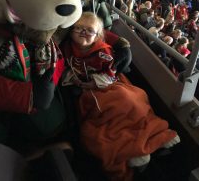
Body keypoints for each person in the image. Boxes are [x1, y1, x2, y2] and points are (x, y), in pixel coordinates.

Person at [60, 12, 180, 181]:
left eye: (89, 30)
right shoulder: (65, 47)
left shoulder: (104, 51)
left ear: (98, 36)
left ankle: (152, 137)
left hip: (108, 84)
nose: (83, 33)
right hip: (88, 94)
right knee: (99, 128)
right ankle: (132, 152)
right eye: (78, 28)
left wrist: (95, 82)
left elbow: (110, 73)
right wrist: (74, 80)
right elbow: (65, 69)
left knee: (131, 101)